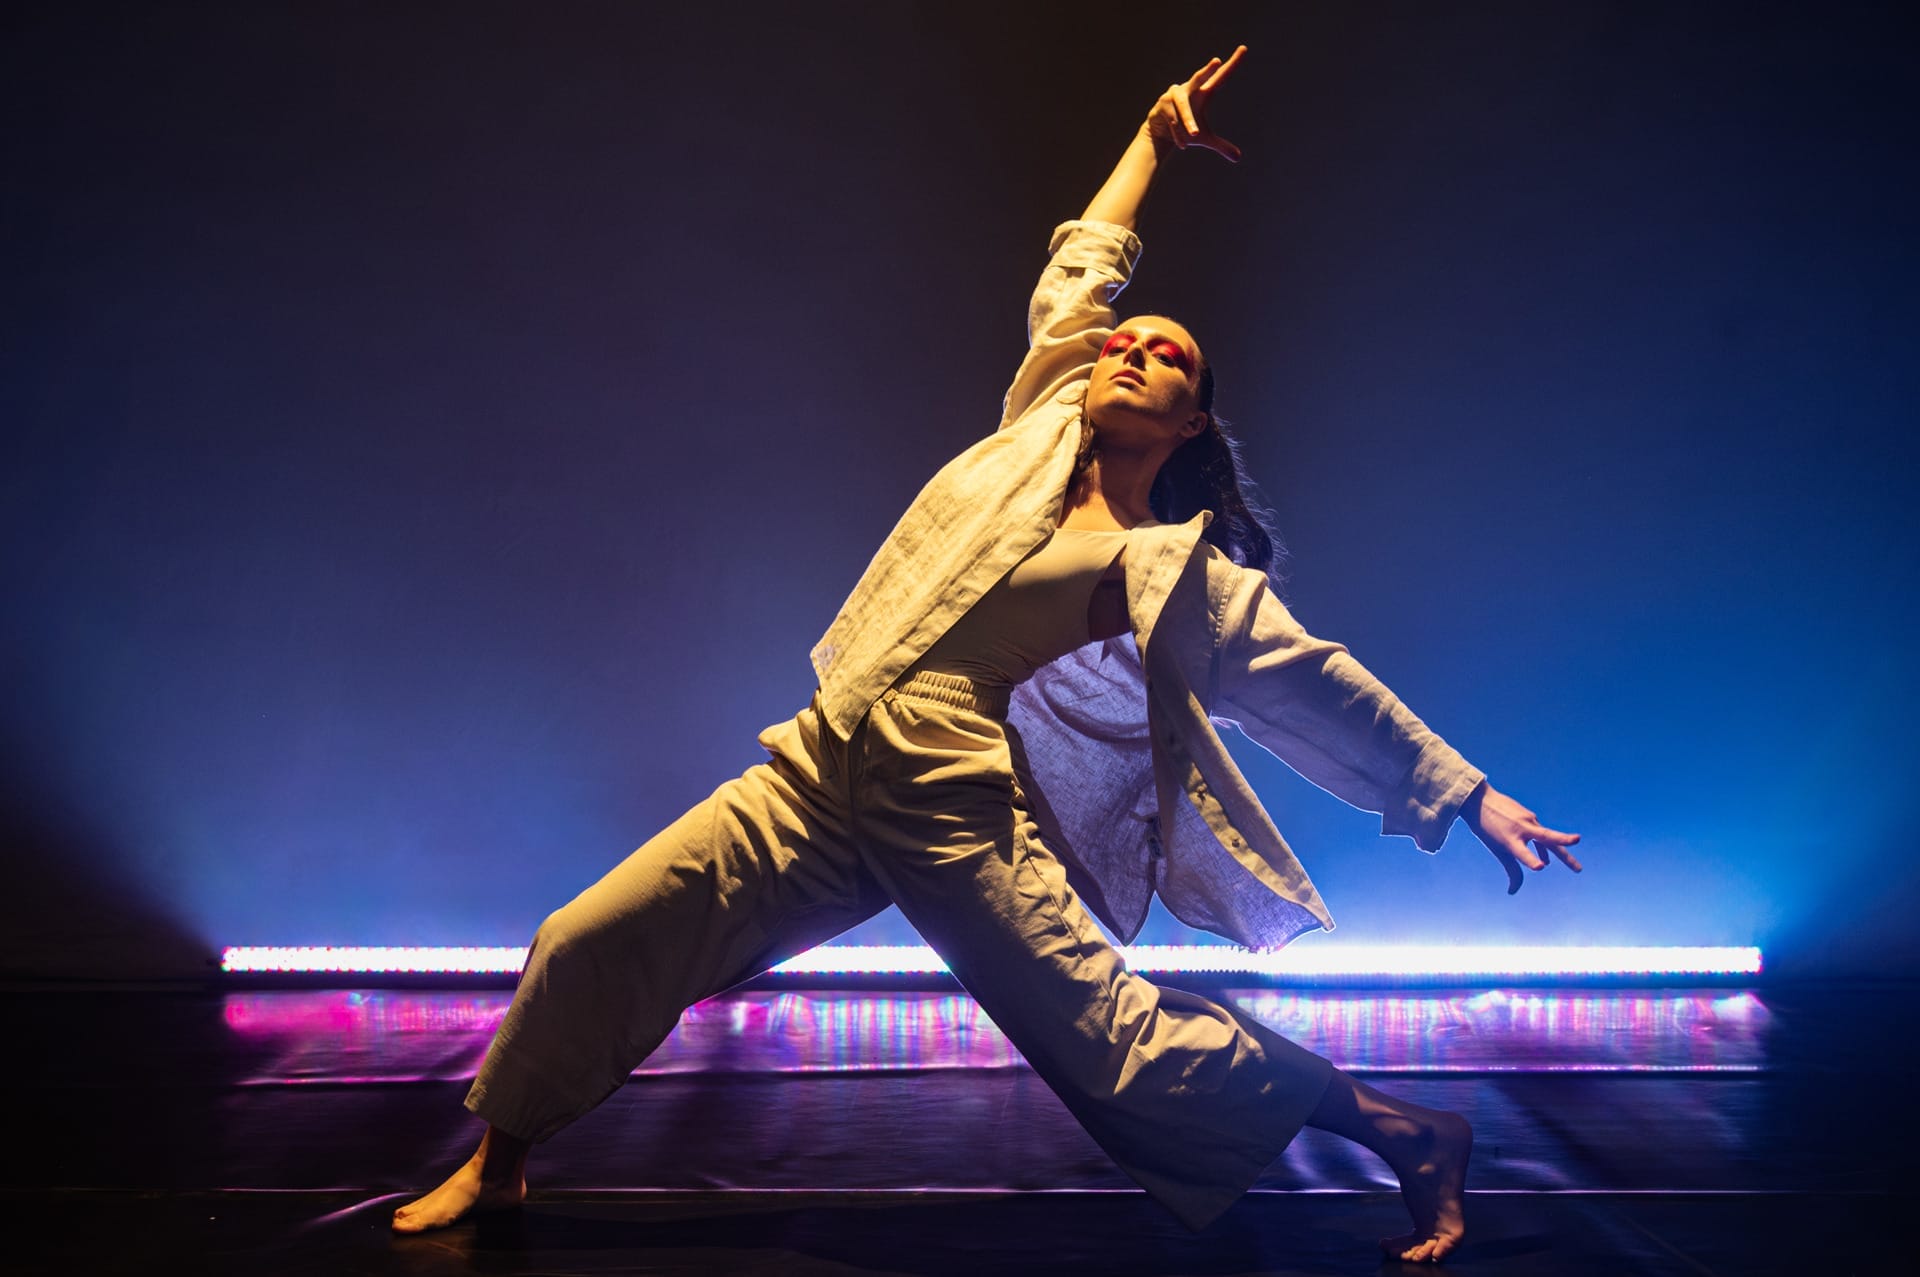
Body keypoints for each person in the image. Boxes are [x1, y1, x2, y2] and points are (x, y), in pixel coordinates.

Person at [392, 46, 1582, 1264]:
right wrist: (1150, 141)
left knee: (1113, 1040)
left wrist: (1465, 792)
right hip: (825, 765)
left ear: (1192, 422)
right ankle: (499, 1161)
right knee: (593, 932)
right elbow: (1083, 266)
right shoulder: (1040, 428)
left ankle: (1405, 1129)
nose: (1131, 349)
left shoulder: (1166, 565)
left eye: (1168, 355)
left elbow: (1311, 680)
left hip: (950, 799)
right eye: (1126, 341)